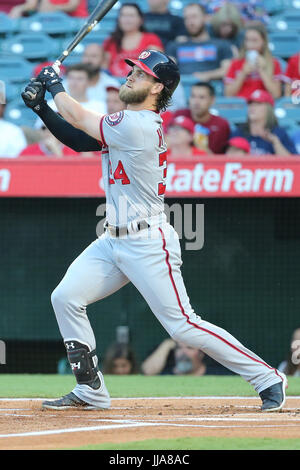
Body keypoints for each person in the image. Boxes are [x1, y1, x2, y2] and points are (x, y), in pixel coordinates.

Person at [22, 49, 287, 412]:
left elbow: (79, 115)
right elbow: (82, 140)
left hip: (147, 241)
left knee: (182, 327)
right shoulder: (126, 123)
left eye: (141, 73)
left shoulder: (139, 124)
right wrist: (42, 110)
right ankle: (90, 390)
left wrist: (53, 84)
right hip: (112, 238)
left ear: (158, 87)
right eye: (133, 70)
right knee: (65, 297)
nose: (132, 75)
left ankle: (267, 377)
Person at [166, 3, 233, 81]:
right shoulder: (174, 46)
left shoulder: (222, 45)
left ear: (205, 18)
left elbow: (227, 70)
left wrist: (207, 76)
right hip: (182, 89)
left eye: (194, 17)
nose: (190, 22)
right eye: (186, 18)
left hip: (212, 89)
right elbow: (168, 71)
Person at [224, 22, 283, 100]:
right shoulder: (235, 63)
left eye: (255, 40)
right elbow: (228, 95)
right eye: (247, 40)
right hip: (242, 106)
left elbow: (276, 94)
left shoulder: (274, 63)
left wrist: (262, 70)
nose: (250, 45)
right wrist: (243, 73)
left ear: (263, 42)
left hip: (264, 105)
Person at [102, 3, 163, 78]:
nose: (127, 19)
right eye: (123, 15)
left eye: (131, 16)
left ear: (141, 20)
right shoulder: (110, 41)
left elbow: (157, 66)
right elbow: (104, 69)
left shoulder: (151, 39)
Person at [231, 89, 297, 155]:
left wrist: (275, 143)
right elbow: (228, 158)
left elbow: (290, 162)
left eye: (258, 104)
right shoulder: (239, 132)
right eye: (250, 104)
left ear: (269, 109)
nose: (252, 107)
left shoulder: (279, 133)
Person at [173, 82, 231, 154]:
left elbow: (222, 158)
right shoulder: (179, 115)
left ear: (212, 100)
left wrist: (202, 149)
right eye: (193, 96)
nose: (196, 102)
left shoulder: (222, 124)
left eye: (202, 97)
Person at [142, 339, 207, 375]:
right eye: (178, 348)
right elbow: (148, 372)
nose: (183, 352)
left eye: (189, 348)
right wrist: (167, 344)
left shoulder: (214, 373)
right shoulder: (166, 376)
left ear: (201, 354)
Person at [9, 0, 88, 18]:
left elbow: (72, 6)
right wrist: (18, 8)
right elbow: (32, 5)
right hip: (52, 19)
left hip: (76, 20)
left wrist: (54, 8)